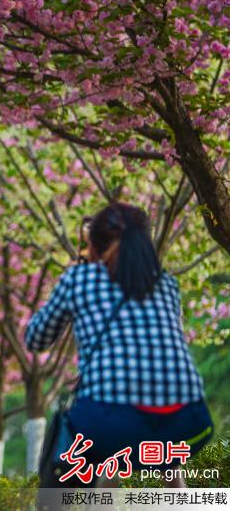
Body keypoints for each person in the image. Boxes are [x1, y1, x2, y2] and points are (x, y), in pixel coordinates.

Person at [26, 202, 213, 487]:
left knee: (112, 436)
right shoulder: (165, 284)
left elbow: (35, 339)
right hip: (190, 419)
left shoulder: (80, 278)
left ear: (96, 245)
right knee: (158, 446)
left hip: (110, 422)